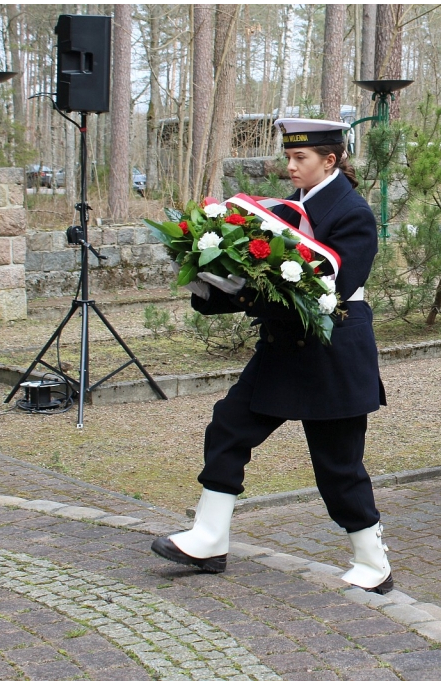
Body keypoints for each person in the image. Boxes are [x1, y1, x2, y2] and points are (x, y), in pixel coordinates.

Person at [152, 118, 394, 594]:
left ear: (330, 160)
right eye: (288, 157)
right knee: (228, 427)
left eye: (299, 158)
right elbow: (265, 282)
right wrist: (210, 278)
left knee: (338, 465)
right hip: (283, 349)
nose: (290, 167)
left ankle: (373, 561)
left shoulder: (353, 214)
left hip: (332, 355)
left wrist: (249, 285)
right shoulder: (286, 209)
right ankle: (209, 537)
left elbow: (331, 291)